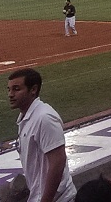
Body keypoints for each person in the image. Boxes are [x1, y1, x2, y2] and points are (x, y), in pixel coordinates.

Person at [6, 67, 76, 202]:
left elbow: (58, 162)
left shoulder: (44, 118)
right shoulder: (26, 118)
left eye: (16, 89)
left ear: (33, 90)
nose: (10, 94)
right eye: (9, 89)